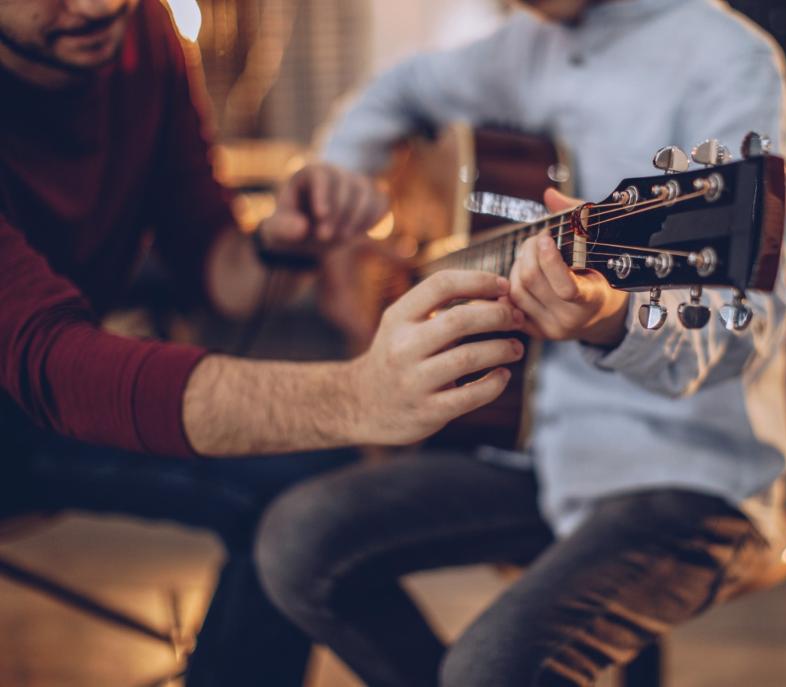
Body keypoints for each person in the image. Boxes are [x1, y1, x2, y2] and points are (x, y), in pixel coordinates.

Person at [255, 0, 786, 684]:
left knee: (489, 670)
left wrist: (611, 317)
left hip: (689, 475)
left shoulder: (728, 58)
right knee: (297, 539)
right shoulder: (520, 48)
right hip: (538, 450)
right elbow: (397, 88)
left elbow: (739, 327)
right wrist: (345, 169)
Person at [0, 0, 525, 684]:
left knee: (307, 480)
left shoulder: (144, 29)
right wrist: (357, 395)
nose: (100, 5)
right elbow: (53, 365)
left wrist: (283, 241)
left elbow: (216, 267)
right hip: (27, 402)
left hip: (45, 394)